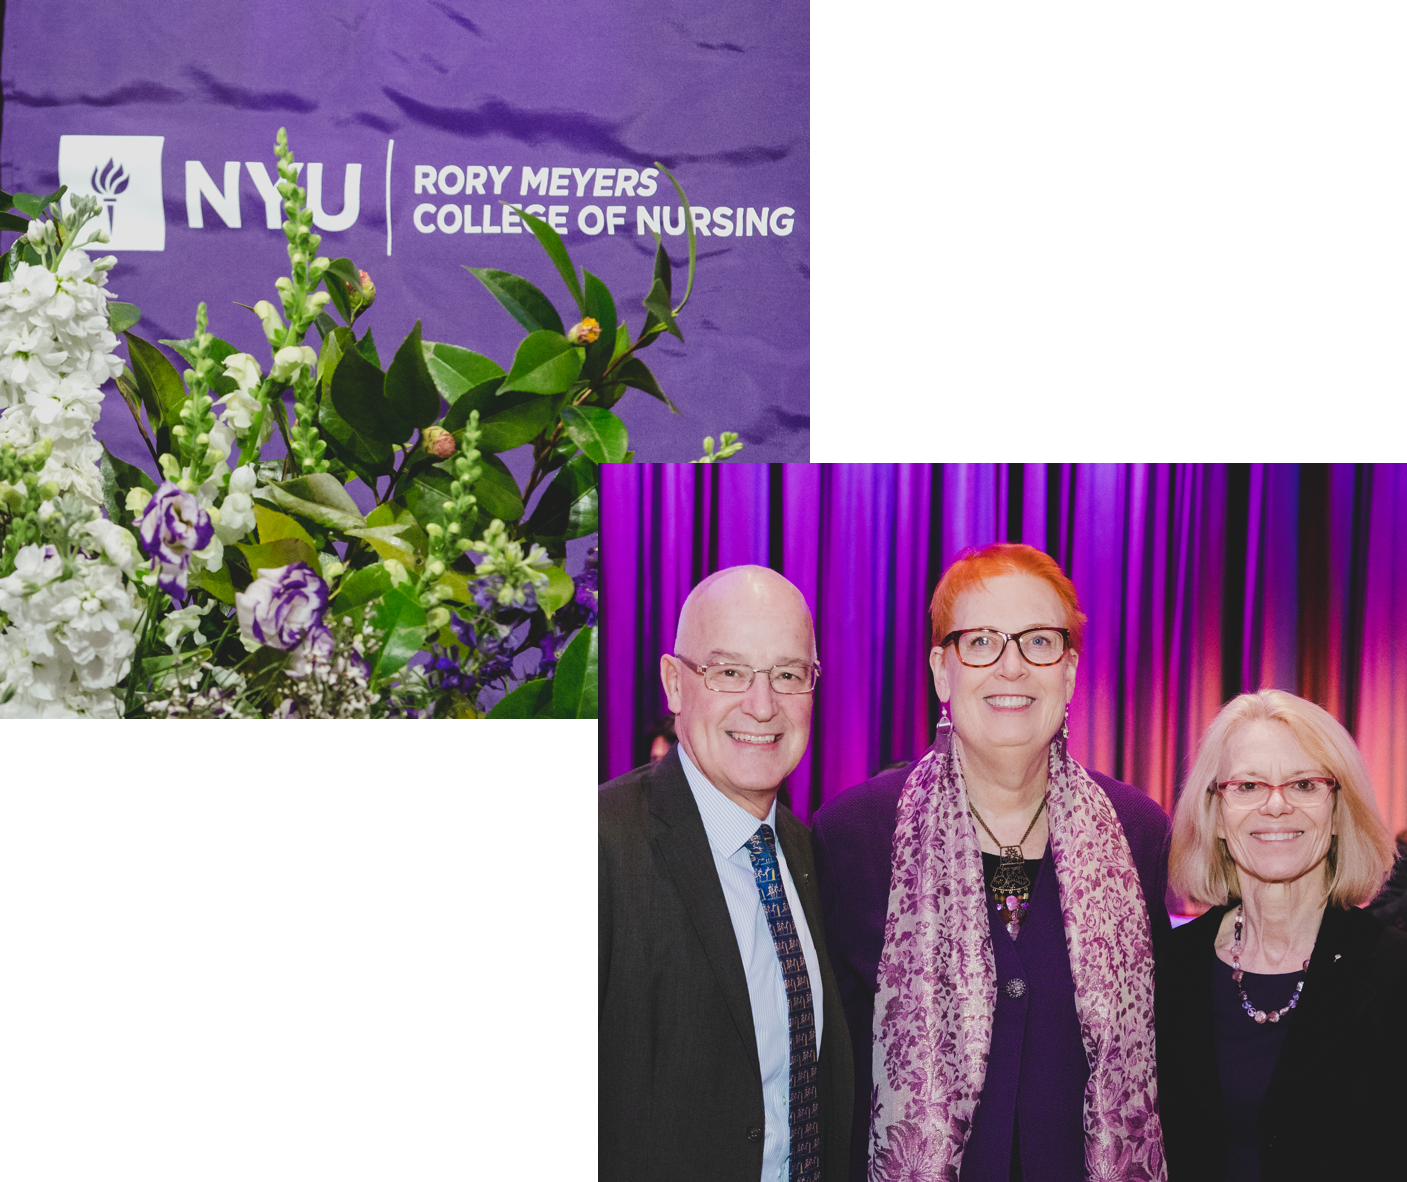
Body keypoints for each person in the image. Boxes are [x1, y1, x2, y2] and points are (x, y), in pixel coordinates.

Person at [811, 543, 1172, 1181]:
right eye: (980, 642)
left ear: (1069, 670)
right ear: (941, 670)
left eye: (1038, 641)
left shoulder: (1141, 833)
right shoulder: (853, 837)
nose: (1011, 667)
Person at [599, 565, 853, 1182]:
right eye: (730, 671)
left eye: (788, 675)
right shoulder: (608, 846)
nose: (762, 705)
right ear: (675, 683)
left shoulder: (812, 852)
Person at [1158, 690, 1404, 1181]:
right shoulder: (1166, 967)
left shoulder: (1394, 972)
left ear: (1337, 812)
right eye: (1248, 785)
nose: (1275, 805)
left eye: (1304, 784)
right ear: (1217, 814)